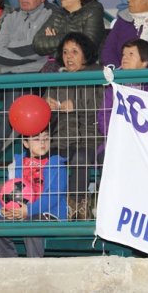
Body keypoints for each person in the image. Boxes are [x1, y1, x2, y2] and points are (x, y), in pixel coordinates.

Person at [42, 32, 103, 220]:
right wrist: (47, 108)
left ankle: (76, 207)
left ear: (86, 55)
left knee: (81, 158)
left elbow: (103, 105)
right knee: (47, 158)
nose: (69, 57)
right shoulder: (57, 79)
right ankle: (50, 207)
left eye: (75, 52)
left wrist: (76, 106)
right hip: (61, 139)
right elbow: (44, 116)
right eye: (66, 52)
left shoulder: (98, 76)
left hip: (90, 138)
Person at [0, 128, 68, 257]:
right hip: (20, 212)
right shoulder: (16, 164)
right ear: (25, 143)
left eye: (46, 138)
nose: (42, 143)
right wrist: (2, 210)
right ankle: (11, 266)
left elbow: (54, 196)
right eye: (36, 139)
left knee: (31, 224)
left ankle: (34, 267)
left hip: (48, 213)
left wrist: (28, 210)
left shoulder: (57, 164)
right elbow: (6, 192)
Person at [98, 39, 148, 160]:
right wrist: (117, 133)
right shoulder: (114, 85)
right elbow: (104, 114)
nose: (125, 58)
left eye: (131, 54)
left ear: (145, 61)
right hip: (118, 140)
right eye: (123, 54)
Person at [33, 0, 105, 57]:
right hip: (61, 66)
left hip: (86, 67)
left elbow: (88, 45)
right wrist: (74, 38)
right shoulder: (58, 13)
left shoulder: (93, 11)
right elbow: (37, 43)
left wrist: (55, 41)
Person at [0, 0, 54, 75]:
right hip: (8, 77)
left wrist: (9, 46)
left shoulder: (53, 15)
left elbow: (39, 49)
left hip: (39, 78)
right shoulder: (10, 17)